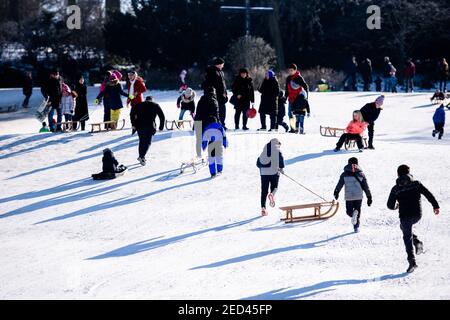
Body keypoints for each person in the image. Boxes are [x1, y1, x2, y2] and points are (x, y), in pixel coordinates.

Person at [387, 165, 440, 273]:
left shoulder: (396, 188)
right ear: (409, 173)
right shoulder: (416, 184)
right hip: (417, 215)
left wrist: (395, 206)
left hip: (405, 216)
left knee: (407, 236)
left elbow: (389, 205)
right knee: (404, 228)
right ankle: (416, 241)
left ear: (398, 174)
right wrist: (435, 206)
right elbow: (428, 194)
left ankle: (412, 262)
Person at [334, 157, 372, 233]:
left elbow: (340, 184)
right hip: (358, 196)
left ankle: (352, 215)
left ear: (348, 164)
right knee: (357, 211)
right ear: (357, 164)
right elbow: (366, 187)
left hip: (349, 196)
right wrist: (369, 197)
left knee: (349, 212)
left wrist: (336, 192)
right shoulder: (361, 174)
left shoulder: (344, 174)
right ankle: (356, 227)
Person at [130, 96, 165, 166]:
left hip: (139, 126)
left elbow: (132, 114)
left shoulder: (138, 105)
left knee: (142, 141)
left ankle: (141, 156)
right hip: (150, 126)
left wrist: (133, 124)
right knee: (147, 142)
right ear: (152, 100)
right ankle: (142, 157)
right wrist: (161, 127)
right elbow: (162, 116)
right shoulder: (155, 105)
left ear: (145, 100)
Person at [257, 138, 285, 216]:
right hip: (274, 172)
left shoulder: (264, 150)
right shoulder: (278, 150)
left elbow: (258, 163)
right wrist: (281, 168)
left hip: (263, 173)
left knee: (264, 191)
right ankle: (272, 195)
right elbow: (281, 160)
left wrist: (262, 169)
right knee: (275, 187)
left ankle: (263, 208)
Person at [194, 87, 220, 158]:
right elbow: (216, 114)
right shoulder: (214, 100)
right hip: (208, 122)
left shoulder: (201, 100)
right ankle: (212, 155)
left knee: (199, 139)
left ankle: (198, 155)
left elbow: (198, 112)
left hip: (198, 121)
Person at [203, 58, 228, 130]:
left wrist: (225, 93)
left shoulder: (220, 72)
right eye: (222, 64)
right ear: (219, 64)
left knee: (222, 110)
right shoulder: (212, 71)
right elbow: (211, 84)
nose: (223, 66)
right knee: (216, 111)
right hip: (215, 95)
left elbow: (223, 84)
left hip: (221, 95)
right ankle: (217, 124)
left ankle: (221, 124)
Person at [285, 63, 309, 132]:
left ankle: (297, 127)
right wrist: (285, 97)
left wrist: (306, 97)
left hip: (297, 99)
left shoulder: (299, 78)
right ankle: (292, 128)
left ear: (295, 70)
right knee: (290, 113)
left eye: (292, 70)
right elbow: (287, 89)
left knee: (297, 114)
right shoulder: (288, 78)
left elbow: (306, 86)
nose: (290, 72)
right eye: (289, 70)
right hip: (291, 99)